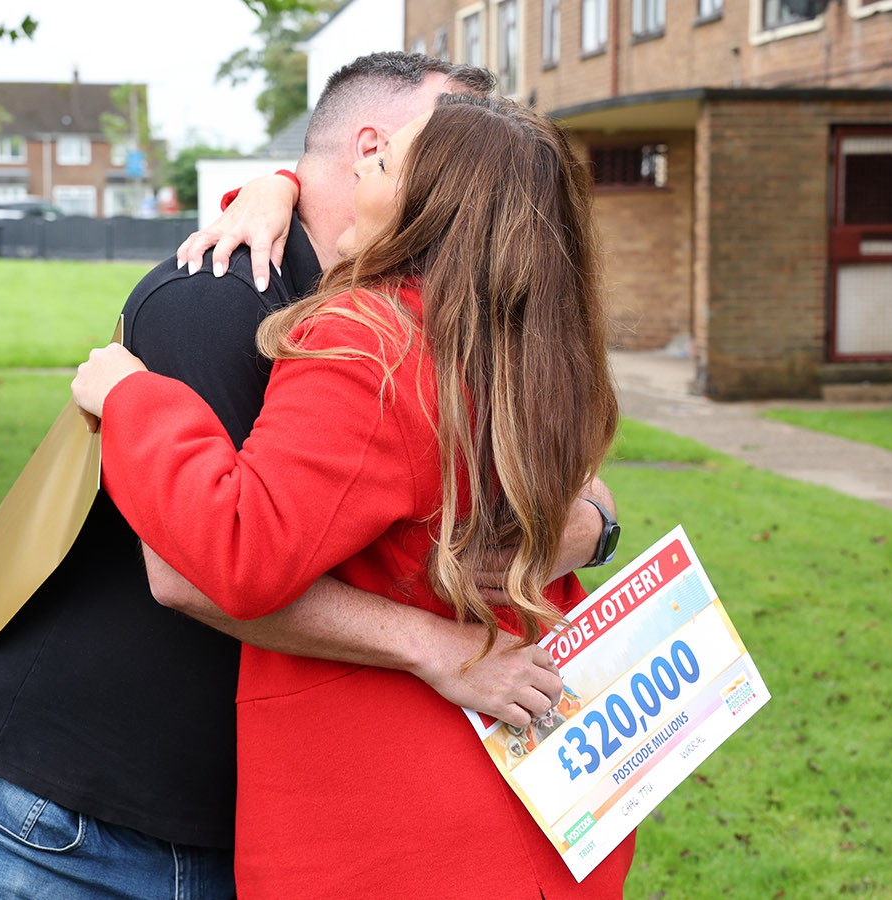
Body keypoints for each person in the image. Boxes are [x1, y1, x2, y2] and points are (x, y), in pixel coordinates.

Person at [0, 53, 618, 900]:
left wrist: (587, 526)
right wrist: (439, 642)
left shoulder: (444, 332)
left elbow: (572, 488)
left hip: (266, 810)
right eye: (389, 150)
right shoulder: (224, 300)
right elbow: (195, 572)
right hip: (76, 820)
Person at [70, 93, 634, 899]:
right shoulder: (538, 352)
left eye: (381, 161)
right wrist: (274, 188)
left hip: (384, 819)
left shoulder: (369, 342)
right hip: (540, 793)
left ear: (425, 204)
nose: (358, 165)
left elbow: (243, 550)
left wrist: (133, 399)